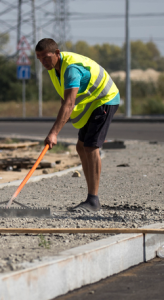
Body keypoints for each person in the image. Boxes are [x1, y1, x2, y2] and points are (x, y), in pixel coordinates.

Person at [35, 38, 120, 212]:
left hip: (105, 99)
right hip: (92, 103)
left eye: (46, 57)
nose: (43, 62)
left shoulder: (71, 69)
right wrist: (60, 123)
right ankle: (91, 199)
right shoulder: (53, 68)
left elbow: (69, 103)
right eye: (39, 58)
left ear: (57, 53)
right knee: (81, 147)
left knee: (90, 147)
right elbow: (64, 97)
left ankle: (93, 201)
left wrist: (54, 133)